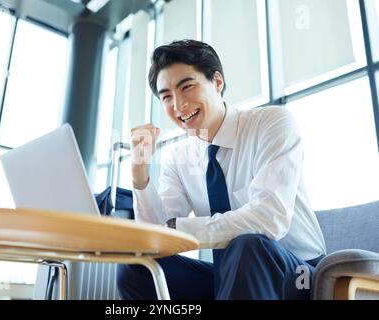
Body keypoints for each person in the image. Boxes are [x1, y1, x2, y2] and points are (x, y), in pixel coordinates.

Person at [117, 39, 326, 300]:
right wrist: (139, 173)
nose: (179, 105)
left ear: (217, 82)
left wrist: (177, 228)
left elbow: (268, 219)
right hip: (231, 277)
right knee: (139, 268)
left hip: (299, 276)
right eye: (167, 97)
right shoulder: (179, 157)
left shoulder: (272, 124)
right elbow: (156, 239)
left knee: (248, 245)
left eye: (187, 87)